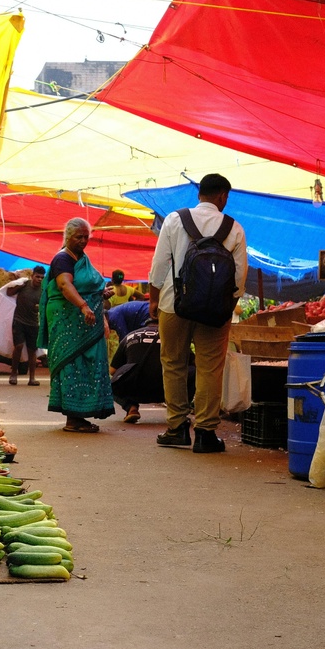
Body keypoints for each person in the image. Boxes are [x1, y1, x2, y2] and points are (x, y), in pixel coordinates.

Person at [149, 174, 247, 453]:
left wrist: (154, 299)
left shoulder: (174, 220)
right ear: (222, 196)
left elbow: (159, 265)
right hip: (216, 311)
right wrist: (227, 305)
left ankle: (177, 428)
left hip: (173, 303)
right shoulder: (234, 228)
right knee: (210, 367)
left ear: (199, 194)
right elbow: (240, 276)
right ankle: (205, 432)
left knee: (173, 363)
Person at [40, 218, 115, 433]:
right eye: (78, 237)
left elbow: (86, 287)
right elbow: (65, 285)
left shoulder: (82, 258)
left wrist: (99, 294)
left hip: (86, 321)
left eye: (86, 237)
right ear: (67, 237)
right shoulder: (62, 259)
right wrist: (83, 305)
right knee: (72, 363)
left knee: (87, 365)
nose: (83, 241)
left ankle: (80, 416)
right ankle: (73, 419)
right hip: (68, 321)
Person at [110, 317, 163, 424]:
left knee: (110, 383)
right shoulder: (172, 336)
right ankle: (179, 413)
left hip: (136, 385)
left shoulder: (130, 336)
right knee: (191, 372)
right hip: (166, 387)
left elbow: (112, 370)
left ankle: (131, 407)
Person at [4, 266, 45, 386]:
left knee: (32, 351)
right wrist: (18, 286)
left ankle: (32, 378)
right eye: (37, 277)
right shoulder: (24, 285)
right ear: (32, 276)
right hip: (19, 321)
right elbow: (8, 292)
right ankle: (13, 374)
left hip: (33, 323)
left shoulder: (43, 290)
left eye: (42, 278)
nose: (39, 279)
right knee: (19, 346)